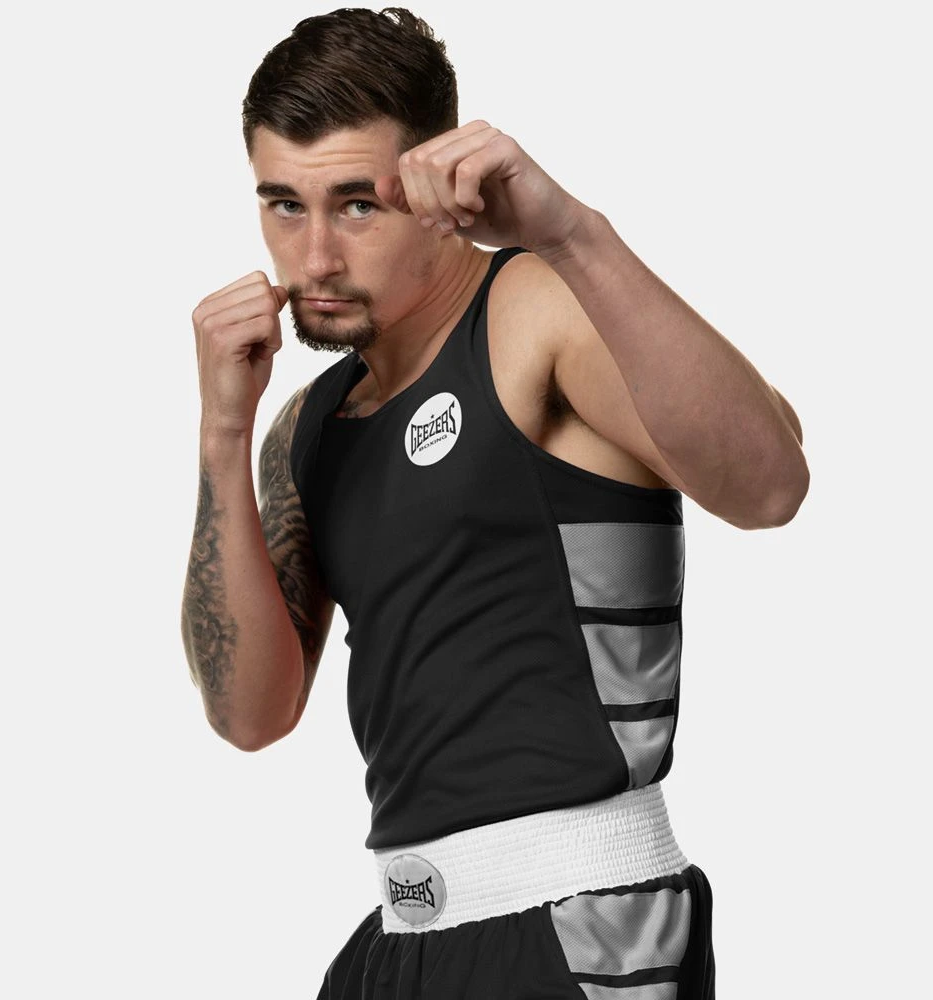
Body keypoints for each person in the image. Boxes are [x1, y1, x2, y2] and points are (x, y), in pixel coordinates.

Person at [181, 7, 809, 998]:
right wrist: (222, 435)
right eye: (284, 206)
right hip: (403, 940)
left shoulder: (534, 313)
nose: (315, 259)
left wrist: (572, 234)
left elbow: (769, 483)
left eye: (357, 204)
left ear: (437, 182)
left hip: (579, 931)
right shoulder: (306, 425)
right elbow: (250, 714)